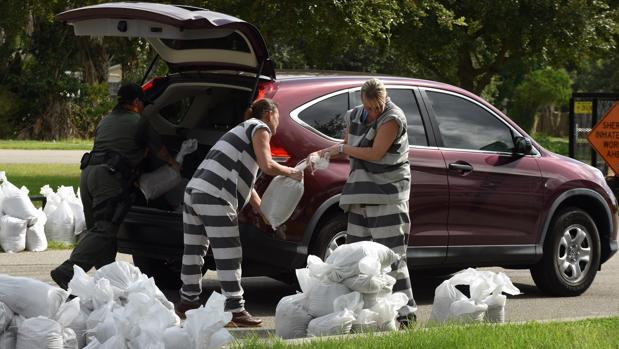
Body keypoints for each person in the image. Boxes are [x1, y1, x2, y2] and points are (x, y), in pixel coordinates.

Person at [174, 98, 303, 327]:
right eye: (278, 118)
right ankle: (235, 309)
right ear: (270, 115)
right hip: (216, 195)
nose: (278, 124)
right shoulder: (259, 127)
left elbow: (249, 188)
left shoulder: (242, 132)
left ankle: (188, 301)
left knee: (194, 250)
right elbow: (268, 165)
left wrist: (267, 216)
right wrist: (292, 172)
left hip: (195, 191)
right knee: (229, 254)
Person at [308, 78, 417, 326]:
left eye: (377, 106)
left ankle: (406, 315)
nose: (373, 111)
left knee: (392, 257)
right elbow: (348, 145)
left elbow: (375, 153)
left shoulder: (392, 118)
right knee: (355, 259)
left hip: (388, 195)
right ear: (361, 100)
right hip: (360, 195)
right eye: (369, 107)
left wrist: (343, 150)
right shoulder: (354, 116)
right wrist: (323, 153)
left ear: (384, 99)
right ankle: (361, 316)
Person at [50, 83, 180, 290]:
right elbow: (160, 150)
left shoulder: (106, 120)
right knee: (105, 229)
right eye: (143, 104)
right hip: (108, 178)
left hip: (88, 174)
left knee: (101, 232)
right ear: (136, 102)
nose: (144, 108)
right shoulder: (139, 122)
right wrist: (175, 165)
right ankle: (69, 270)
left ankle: (107, 279)